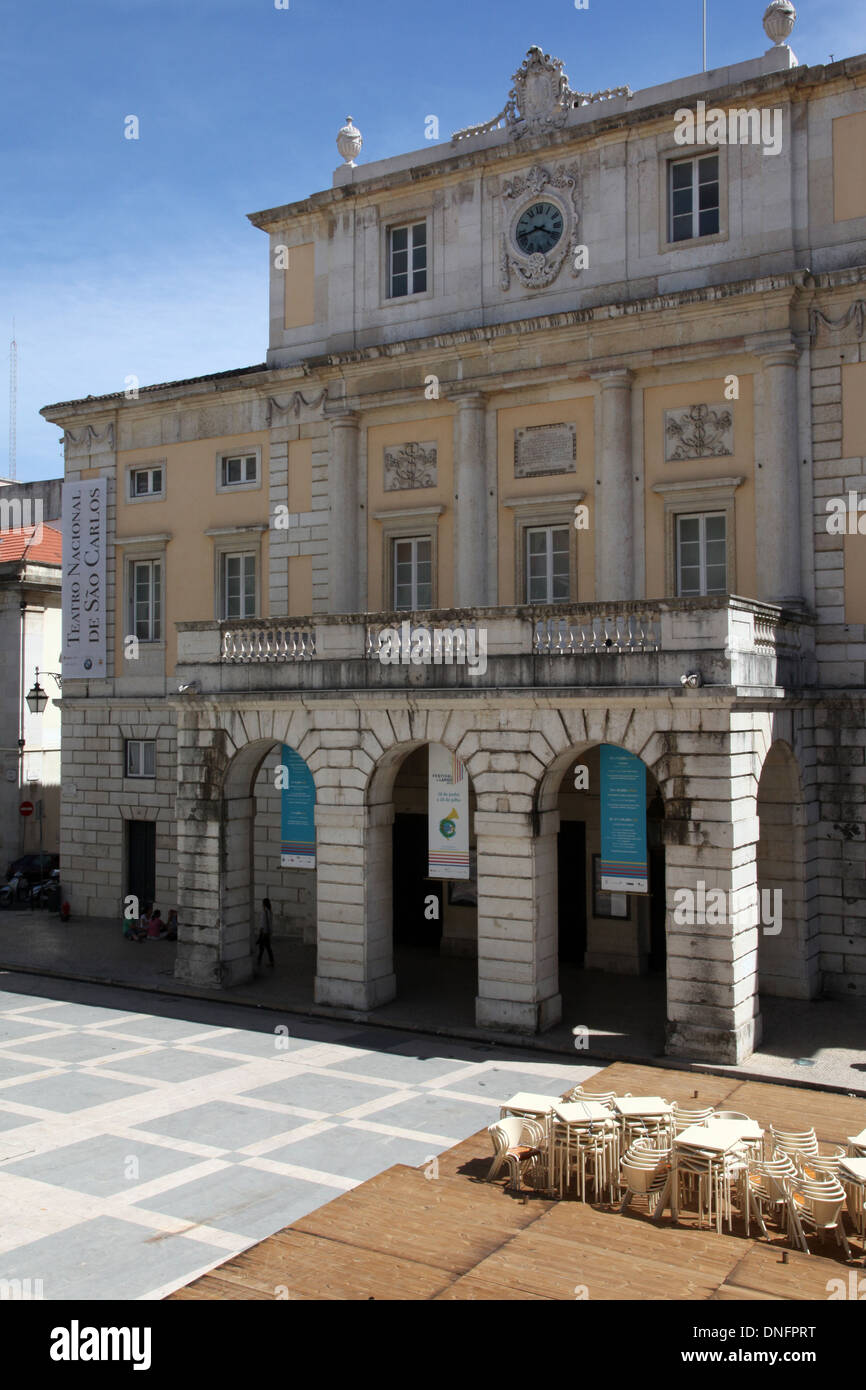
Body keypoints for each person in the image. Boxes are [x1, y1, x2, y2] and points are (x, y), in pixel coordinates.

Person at [256, 897, 274, 967]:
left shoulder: (264, 912)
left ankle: (262, 960)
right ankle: (260, 959)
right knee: (264, 947)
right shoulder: (269, 912)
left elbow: (263, 924)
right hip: (267, 932)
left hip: (264, 933)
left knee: (264, 947)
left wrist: (261, 932)